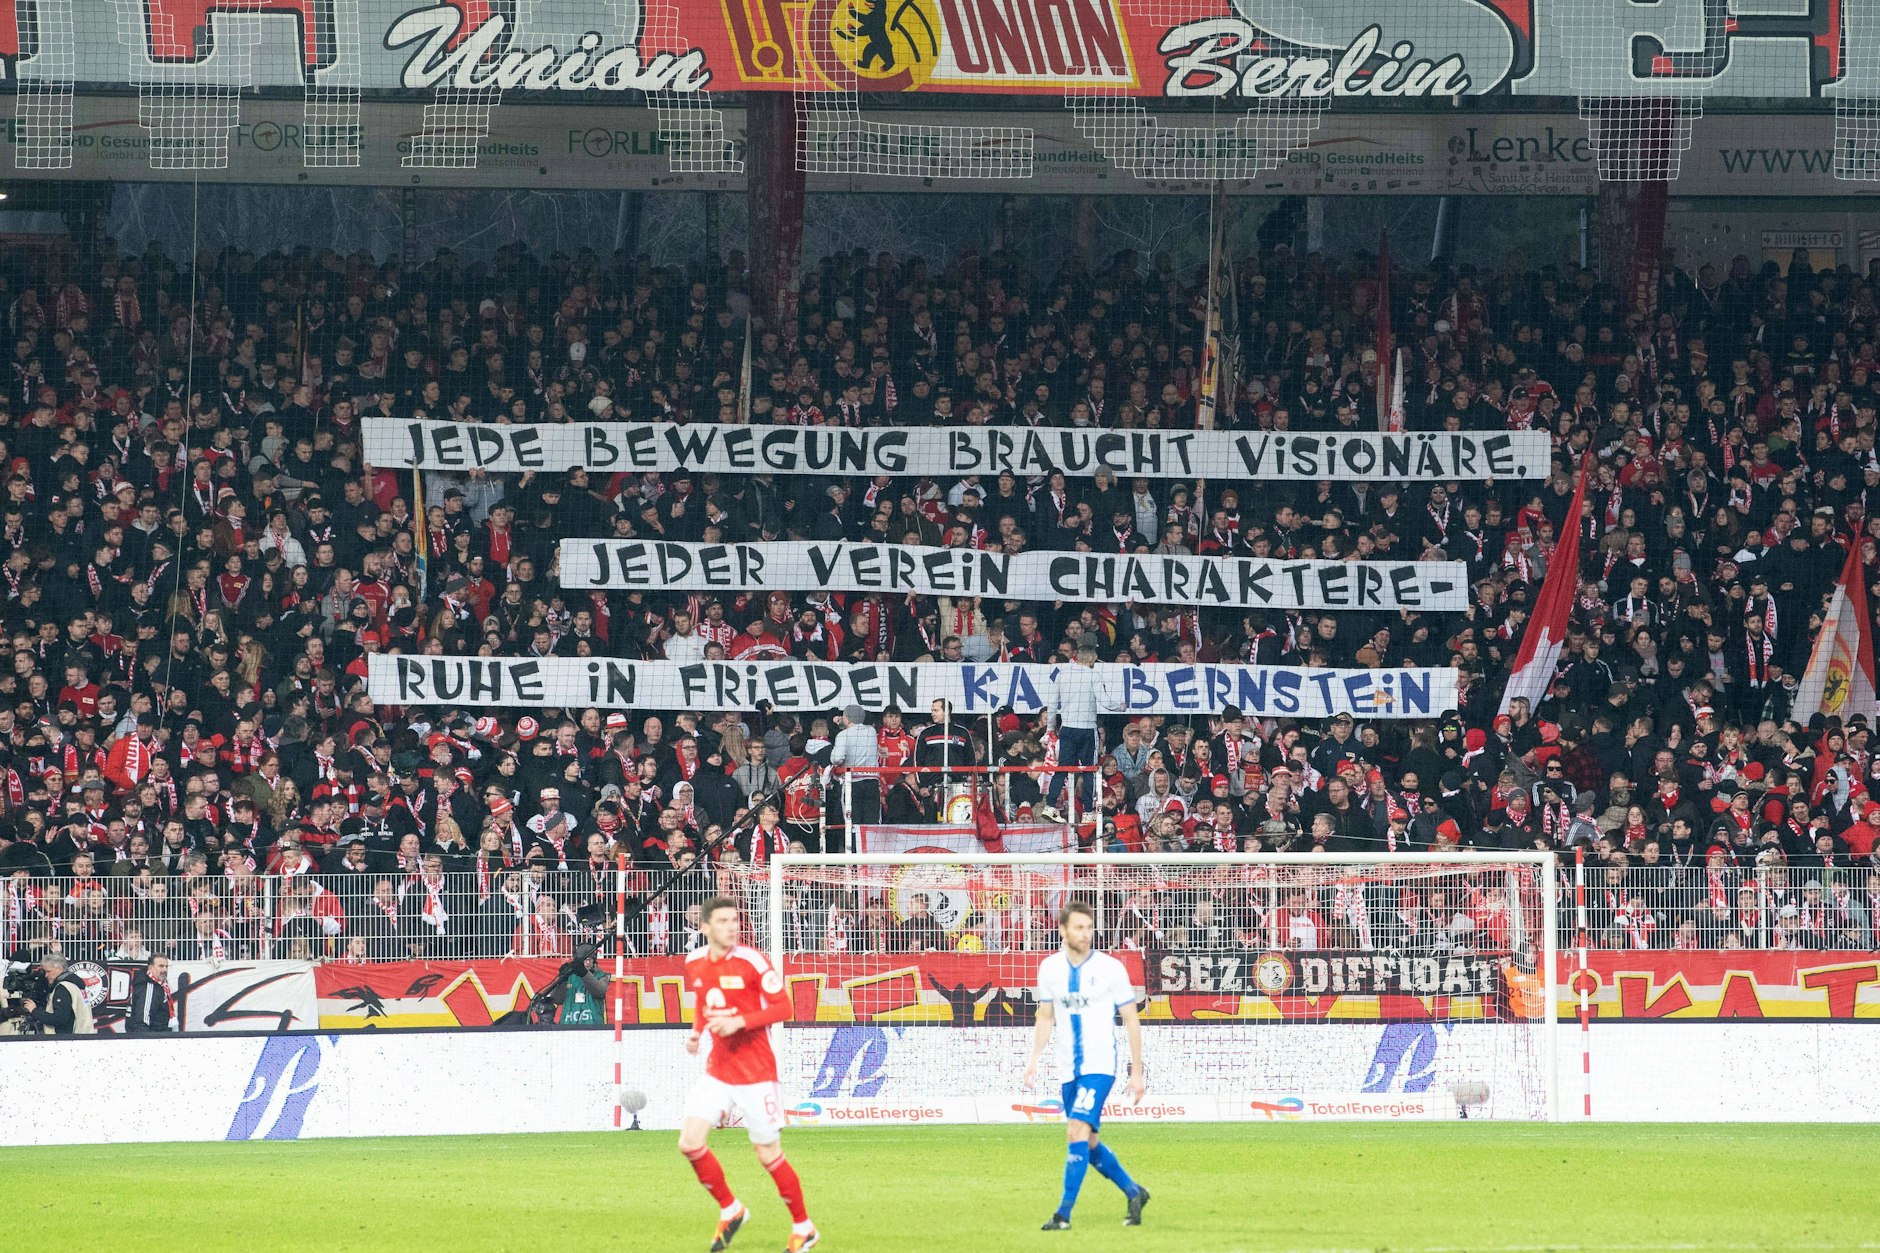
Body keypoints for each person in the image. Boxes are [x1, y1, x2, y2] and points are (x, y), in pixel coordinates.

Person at [678, 896, 819, 1252]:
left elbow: (784, 1007)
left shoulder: (752, 961)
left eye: (735, 920)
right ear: (705, 927)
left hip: (756, 1071)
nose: (732, 927)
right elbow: (704, 1001)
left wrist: (740, 1021)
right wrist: (696, 1032)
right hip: (718, 1070)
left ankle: (804, 1227)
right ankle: (731, 1209)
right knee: (690, 1143)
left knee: (767, 1153)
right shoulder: (694, 962)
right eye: (723, 921)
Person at [1022, 899, 1149, 1231]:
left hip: (1100, 1064)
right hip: (1068, 1069)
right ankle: (1134, 1192)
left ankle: (1063, 1215)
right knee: (1088, 1143)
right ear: (1063, 930)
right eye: (1078, 927)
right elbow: (1045, 1016)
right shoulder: (1050, 968)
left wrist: (1136, 1071)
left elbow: (1131, 1019)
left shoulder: (1110, 968)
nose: (1085, 933)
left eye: (1089, 927)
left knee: (1075, 1130)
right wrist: (1033, 1059)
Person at [1039, 645, 1102, 824]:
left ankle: (1050, 806)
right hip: (1087, 729)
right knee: (1089, 769)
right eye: (1094, 661)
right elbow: (1104, 700)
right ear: (1089, 659)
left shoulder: (1062, 675)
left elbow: (1052, 705)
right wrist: (1120, 706)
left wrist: (1050, 729)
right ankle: (1088, 812)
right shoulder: (1093, 675)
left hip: (1067, 728)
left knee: (1062, 768)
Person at [825, 704, 881, 850]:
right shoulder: (871, 731)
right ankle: (871, 856)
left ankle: (855, 857)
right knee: (871, 823)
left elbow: (836, 759)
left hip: (853, 783)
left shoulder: (843, 735)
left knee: (852, 823)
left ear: (848, 719)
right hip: (872, 782)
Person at [22, 953, 95, 1035]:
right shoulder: (75, 984)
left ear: (59, 969)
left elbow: (59, 1019)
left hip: (65, 1038)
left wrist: (34, 1011)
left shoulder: (63, 988)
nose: (46, 975)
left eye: (48, 971)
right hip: (81, 1035)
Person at [126, 953, 175, 1032]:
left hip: (158, 1035)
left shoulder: (160, 985)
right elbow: (142, 1021)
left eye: (166, 966)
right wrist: (148, 1038)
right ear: (150, 968)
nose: (165, 970)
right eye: (161, 966)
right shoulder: (148, 987)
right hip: (151, 1036)